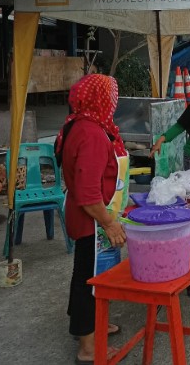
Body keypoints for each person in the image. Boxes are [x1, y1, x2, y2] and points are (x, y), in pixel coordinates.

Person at [55, 74, 127, 364]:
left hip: (86, 215)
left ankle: (86, 324)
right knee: (89, 279)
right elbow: (87, 193)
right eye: (111, 96)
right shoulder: (92, 134)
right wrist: (109, 223)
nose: (114, 102)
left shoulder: (78, 124)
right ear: (99, 99)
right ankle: (87, 347)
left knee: (84, 274)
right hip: (92, 219)